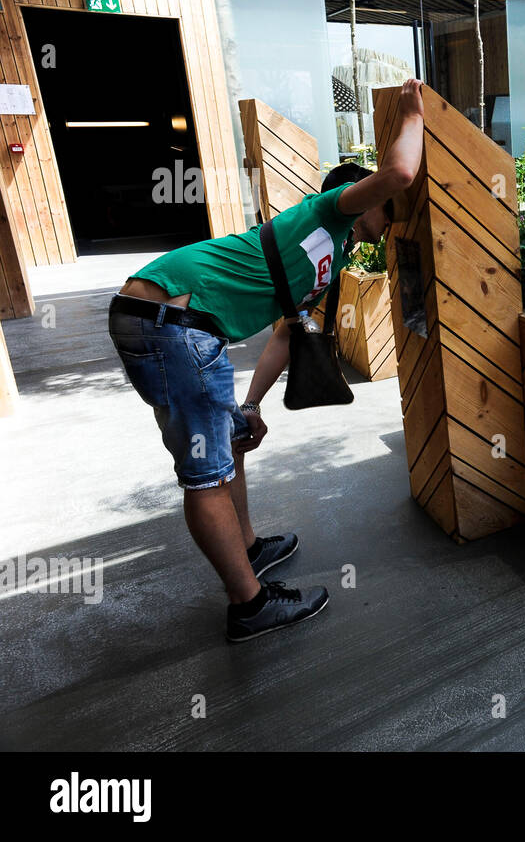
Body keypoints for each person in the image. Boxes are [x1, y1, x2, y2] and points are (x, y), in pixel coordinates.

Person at [108, 79, 425, 642]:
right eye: (386, 209)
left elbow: (284, 338)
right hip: (173, 323)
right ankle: (250, 606)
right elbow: (400, 173)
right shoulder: (329, 212)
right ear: (362, 197)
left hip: (172, 325)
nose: (392, 218)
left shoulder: (326, 258)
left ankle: (249, 549)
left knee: (227, 440)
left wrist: (250, 406)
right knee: (206, 478)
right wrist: (412, 112)